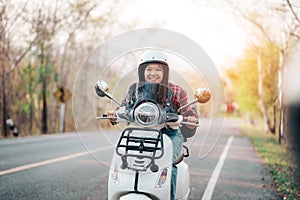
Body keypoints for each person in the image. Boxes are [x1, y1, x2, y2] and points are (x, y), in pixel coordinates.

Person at [109, 50, 198, 200]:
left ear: (165, 72)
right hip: (138, 132)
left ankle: (169, 196)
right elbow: (124, 106)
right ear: (142, 71)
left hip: (169, 133)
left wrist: (190, 119)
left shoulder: (176, 90)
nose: (153, 73)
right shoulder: (134, 89)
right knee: (123, 157)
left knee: (168, 162)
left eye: (158, 69)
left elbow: (187, 111)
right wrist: (114, 114)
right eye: (149, 69)